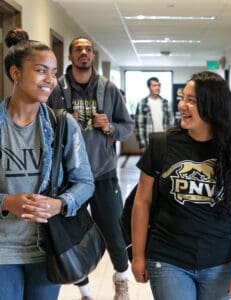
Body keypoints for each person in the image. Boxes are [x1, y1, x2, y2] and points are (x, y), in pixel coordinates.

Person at [0, 29, 94, 300]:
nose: (50, 80)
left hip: (48, 248)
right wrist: (7, 202)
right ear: (16, 73)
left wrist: (60, 204)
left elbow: (85, 183)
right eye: (41, 71)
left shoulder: (62, 124)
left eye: (53, 73)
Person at [131, 71, 231, 300]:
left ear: (213, 107)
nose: (182, 105)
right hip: (168, 258)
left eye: (192, 101)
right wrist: (138, 255)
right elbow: (142, 201)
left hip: (220, 261)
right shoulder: (162, 144)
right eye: (183, 98)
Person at [48, 37, 134, 300]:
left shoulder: (109, 89)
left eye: (88, 50)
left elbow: (126, 127)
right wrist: (61, 122)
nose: (84, 53)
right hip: (67, 178)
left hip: (103, 173)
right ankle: (85, 292)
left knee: (115, 233)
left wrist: (109, 127)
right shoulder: (56, 90)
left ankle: (121, 280)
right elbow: (41, 126)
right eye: (78, 50)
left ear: (93, 56)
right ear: (71, 57)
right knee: (70, 239)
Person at [135, 77, 173, 152]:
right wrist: (142, 144)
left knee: (163, 163)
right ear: (149, 87)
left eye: (158, 85)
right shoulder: (142, 103)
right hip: (149, 140)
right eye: (154, 85)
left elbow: (171, 123)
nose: (157, 87)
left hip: (164, 140)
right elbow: (139, 126)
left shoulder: (165, 102)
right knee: (149, 163)